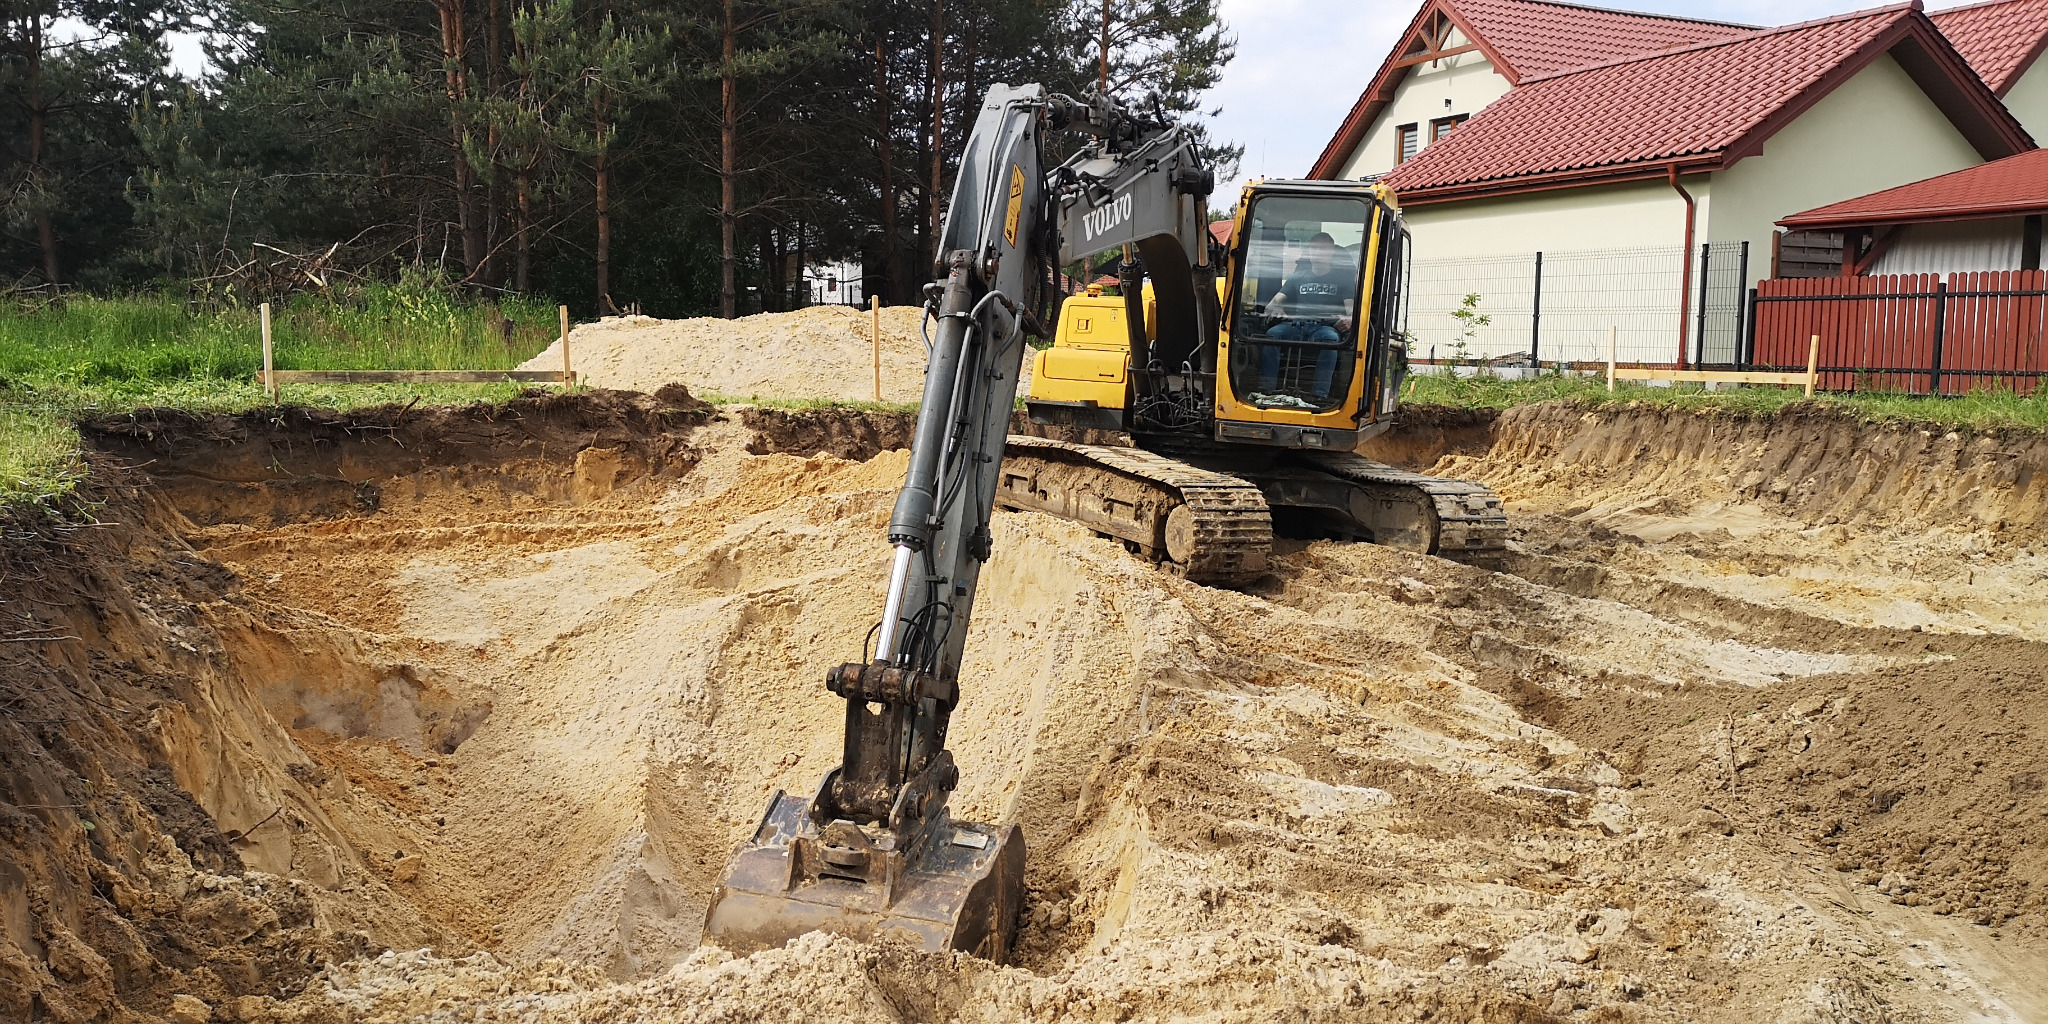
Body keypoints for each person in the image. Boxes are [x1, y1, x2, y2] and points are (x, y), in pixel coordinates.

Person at [1256, 232, 1356, 398]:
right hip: (1295, 325)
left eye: (1323, 248)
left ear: (1332, 251)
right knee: (1272, 335)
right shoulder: (1297, 277)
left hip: (1324, 327)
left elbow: (1351, 311)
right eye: (1314, 248)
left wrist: (1349, 320)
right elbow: (1272, 304)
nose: (1317, 252)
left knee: (1331, 340)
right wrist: (1276, 309)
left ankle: (1320, 395)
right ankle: (1267, 390)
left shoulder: (1343, 279)